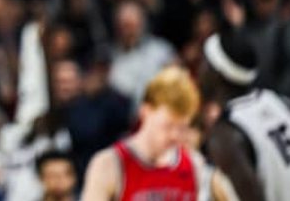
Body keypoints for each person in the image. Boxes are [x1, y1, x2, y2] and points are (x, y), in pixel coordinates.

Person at [200, 32, 290, 200]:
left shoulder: (225, 133)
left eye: (204, 62)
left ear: (217, 73)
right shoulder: (282, 103)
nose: (199, 69)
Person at [82, 66, 238, 201]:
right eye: (168, 125)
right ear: (145, 111)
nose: (175, 135)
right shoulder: (108, 164)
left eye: (182, 127)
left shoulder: (195, 165)